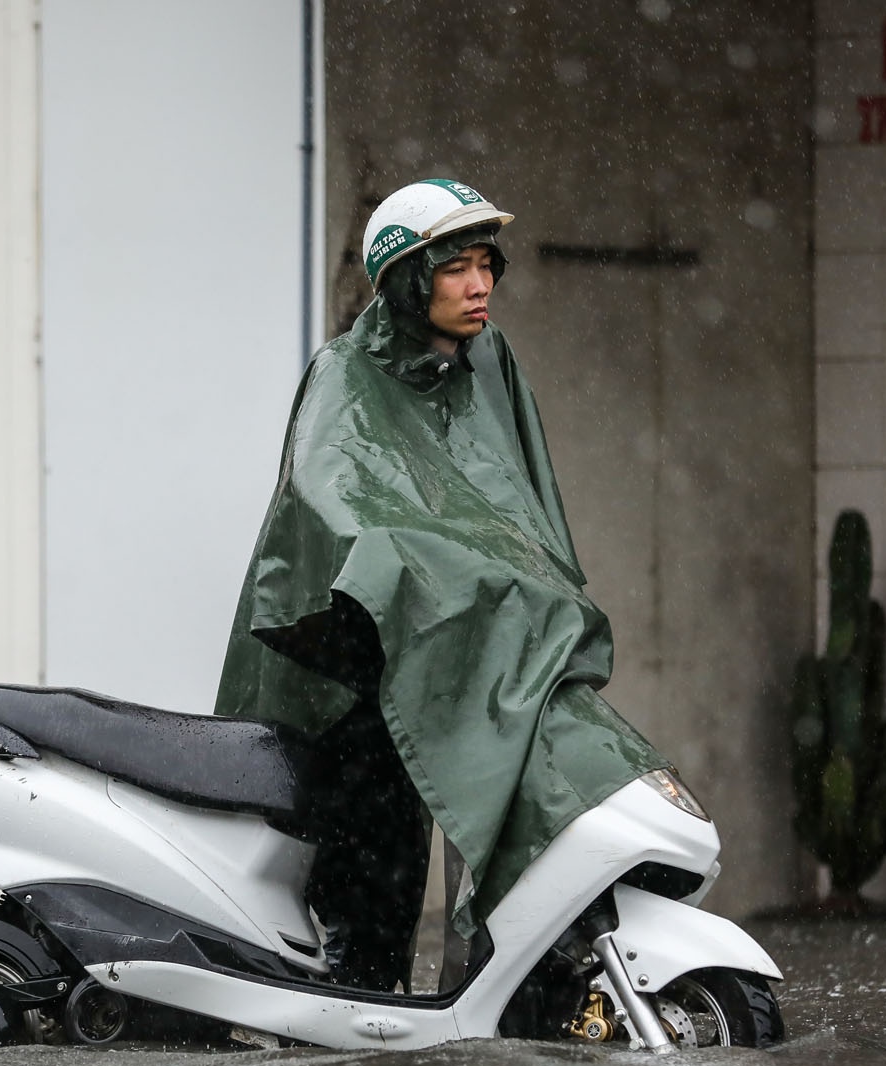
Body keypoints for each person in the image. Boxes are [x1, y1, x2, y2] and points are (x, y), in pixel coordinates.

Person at [216, 179, 666, 991]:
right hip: (355, 653)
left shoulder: (491, 361)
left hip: (455, 634)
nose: (480, 284)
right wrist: (424, 570)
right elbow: (332, 500)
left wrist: (534, 588)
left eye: (487, 264)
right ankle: (357, 993)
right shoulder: (345, 373)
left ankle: (503, 983)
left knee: (505, 776)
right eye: (456, 268)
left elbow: (522, 494)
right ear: (407, 279)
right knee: (374, 829)